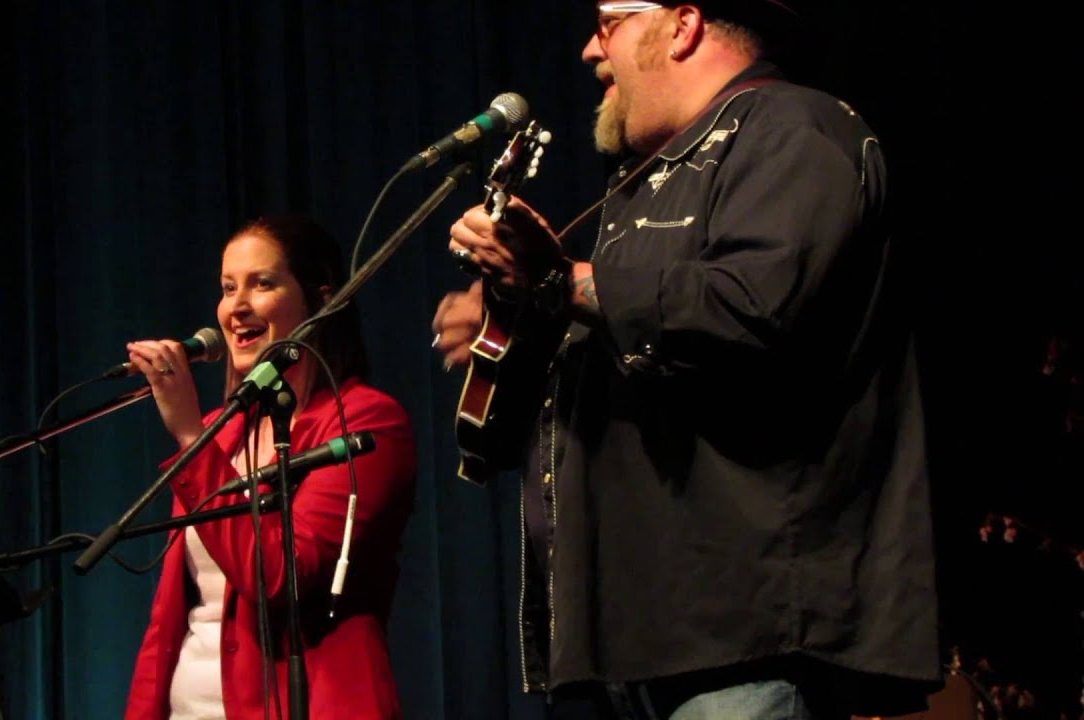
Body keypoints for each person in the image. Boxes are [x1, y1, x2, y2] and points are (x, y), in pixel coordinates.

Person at [431, 1, 941, 718]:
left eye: (606, 23)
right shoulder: (649, 177)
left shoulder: (792, 128)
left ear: (682, 25)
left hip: (747, 633)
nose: (588, 51)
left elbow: (751, 308)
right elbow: (634, 353)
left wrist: (563, 281)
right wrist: (521, 313)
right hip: (648, 636)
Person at [124, 215, 416, 720]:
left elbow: (280, 577)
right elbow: (167, 618)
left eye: (262, 284)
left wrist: (190, 438)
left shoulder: (367, 422)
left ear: (320, 300)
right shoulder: (220, 432)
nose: (236, 306)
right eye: (227, 287)